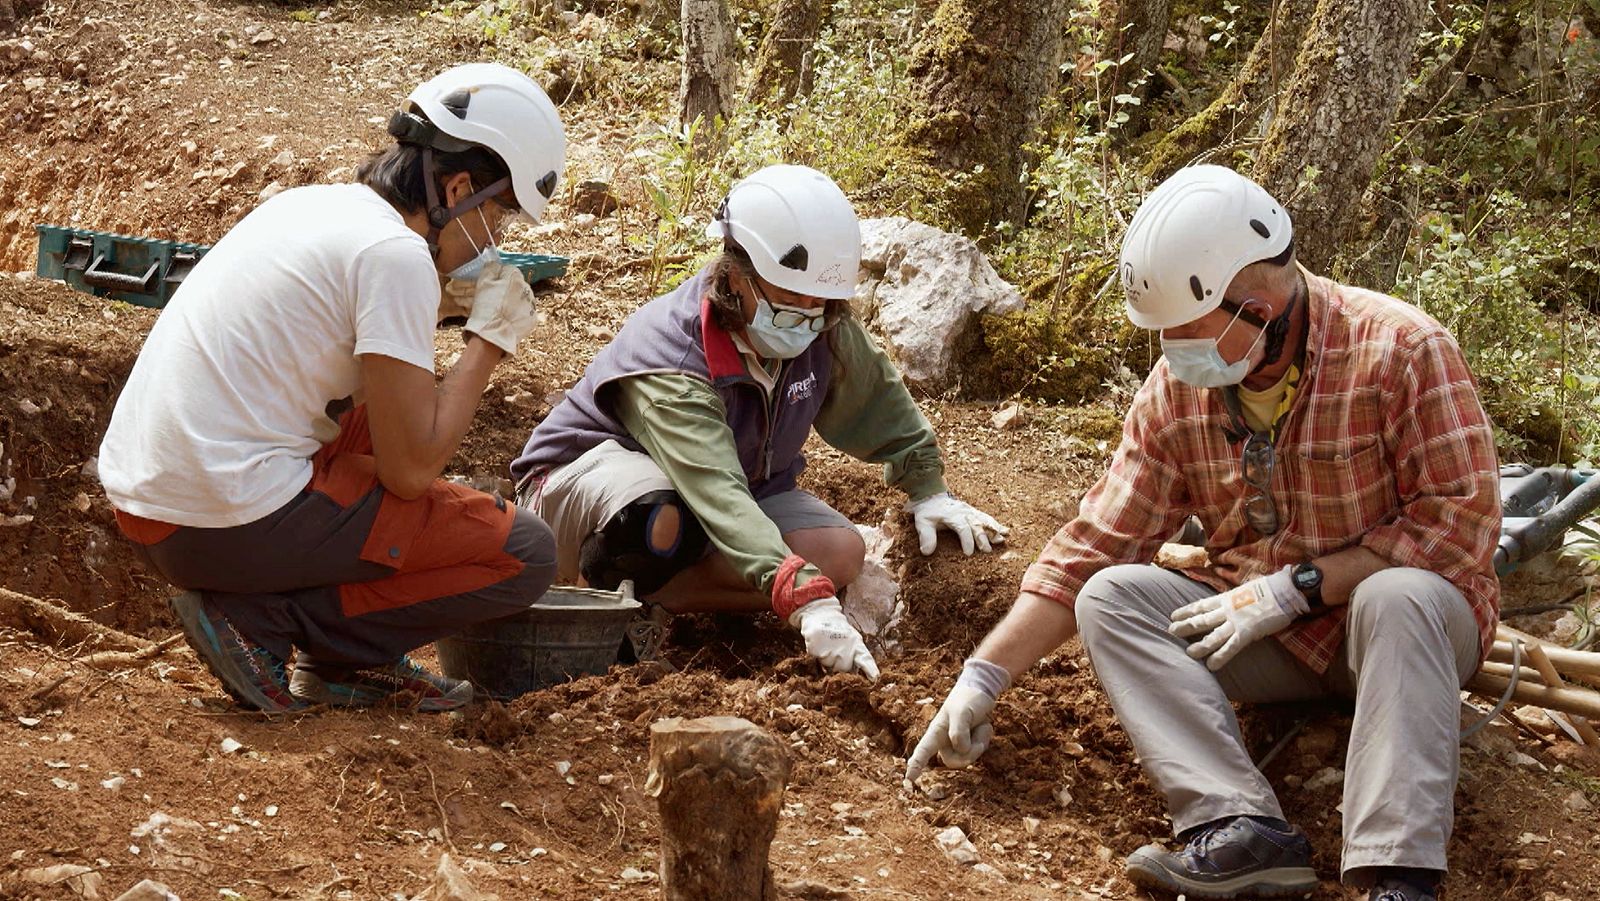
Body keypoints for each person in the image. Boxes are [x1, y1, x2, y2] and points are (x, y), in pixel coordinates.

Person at [905, 165, 1500, 901]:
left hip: (1405, 637)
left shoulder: (1403, 349)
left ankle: (1398, 873)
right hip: (1267, 635)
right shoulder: (1177, 391)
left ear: (1259, 307)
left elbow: (1460, 525)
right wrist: (983, 675)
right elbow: (1097, 542)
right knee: (1113, 598)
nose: (1174, 355)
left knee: (1399, 595)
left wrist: (1300, 585)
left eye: (1187, 334)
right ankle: (1240, 825)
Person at [98, 63, 567, 714]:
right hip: (213, 514)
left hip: (158, 498)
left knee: (395, 418)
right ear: (457, 186)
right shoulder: (395, 256)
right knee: (525, 551)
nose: (495, 242)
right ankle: (276, 627)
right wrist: (488, 343)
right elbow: (411, 469)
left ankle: (331, 647)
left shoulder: (322, 206)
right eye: (496, 218)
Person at [510, 164, 1007, 679]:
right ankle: (605, 595)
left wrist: (927, 486)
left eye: (820, 303)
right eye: (790, 300)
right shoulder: (674, 358)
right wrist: (801, 594)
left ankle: (658, 595)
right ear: (733, 277)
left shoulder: (819, 322)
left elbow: (876, 395)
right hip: (576, 499)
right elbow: (716, 488)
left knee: (841, 552)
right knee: (654, 518)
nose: (806, 317)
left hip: (724, 498)